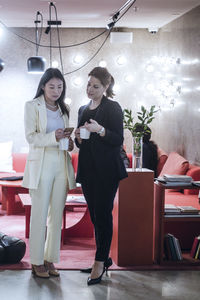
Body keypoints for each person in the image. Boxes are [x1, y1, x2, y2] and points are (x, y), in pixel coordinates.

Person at [74, 66, 128, 285]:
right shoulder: (82, 109)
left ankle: (99, 262)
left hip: (107, 171)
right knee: (96, 217)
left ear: (106, 87)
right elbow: (82, 144)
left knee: (104, 216)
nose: (90, 89)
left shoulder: (113, 108)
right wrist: (78, 137)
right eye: (88, 84)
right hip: (88, 171)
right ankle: (103, 258)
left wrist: (101, 130)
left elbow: (117, 139)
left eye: (96, 86)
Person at [22, 68, 76, 278]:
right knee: (40, 214)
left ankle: (50, 259)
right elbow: (31, 137)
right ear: (43, 85)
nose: (56, 90)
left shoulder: (64, 108)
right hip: (41, 164)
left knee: (56, 215)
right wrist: (53, 136)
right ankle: (36, 261)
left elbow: (62, 138)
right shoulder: (32, 105)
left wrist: (68, 143)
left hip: (61, 163)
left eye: (60, 87)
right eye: (52, 86)